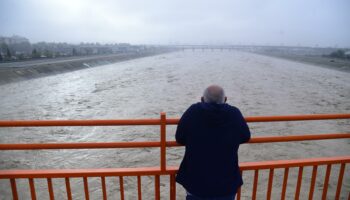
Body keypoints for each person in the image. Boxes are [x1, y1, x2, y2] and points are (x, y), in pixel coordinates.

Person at [176, 85, 251, 200]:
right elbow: (246, 136)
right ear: (225, 99)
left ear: (202, 99)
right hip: (226, 184)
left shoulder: (193, 111)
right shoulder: (234, 113)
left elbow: (179, 137)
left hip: (196, 183)